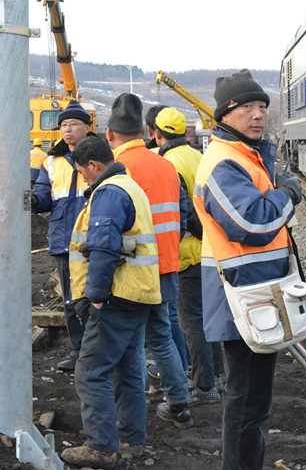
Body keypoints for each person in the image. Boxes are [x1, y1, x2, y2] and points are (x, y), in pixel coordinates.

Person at [194, 69, 303, 469]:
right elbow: (251, 223)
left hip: (256, 295)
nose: (258, 115)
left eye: (262, 107)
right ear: (225, 115)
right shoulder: (223, 162)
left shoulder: (246, 156)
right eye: (247, 108)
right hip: (240, 298)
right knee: (244, 405)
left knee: (253, 405)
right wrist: (287, 194)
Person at [60, 136, 160, 469]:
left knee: (89, 372)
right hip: (138, 293)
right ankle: (132, 442)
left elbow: (103, 247)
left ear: (93, 165)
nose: (83, 178)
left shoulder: (109, 193)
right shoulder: (128, 186)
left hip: (117, 294)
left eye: (82, 171)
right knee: (128, 369)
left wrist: (96, 297)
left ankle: (101, 447)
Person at [106, 93, 193, 428]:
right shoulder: (164, 163)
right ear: (144, 130)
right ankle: (179, 404)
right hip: (167, 265)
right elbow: (182, 214)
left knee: (129, 340)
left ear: (109, 135)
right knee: (162, 337)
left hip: (132, 270)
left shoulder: (120, 169)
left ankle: (132, 407)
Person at [153, 106, 221, 405]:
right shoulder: (198, 155)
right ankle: (216, 377)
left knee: (191, 325)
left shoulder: (167, 163)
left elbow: (185, 213)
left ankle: (204, 387)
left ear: (157, 133)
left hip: (185, 253)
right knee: (210, 320)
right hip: (209, 251)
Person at [31, 100, 95, 371]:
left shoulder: (99, 156)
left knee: (95, 298)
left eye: (73, 124)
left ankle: (97, 352)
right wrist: (31, 200)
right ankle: (78, 351)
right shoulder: (52, 161)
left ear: (87, 127)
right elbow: (45, 198)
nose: (67, 130)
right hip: (62, 239)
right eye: (63, 125)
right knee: (70, 300)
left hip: (92, 240)